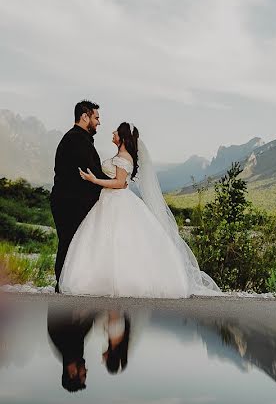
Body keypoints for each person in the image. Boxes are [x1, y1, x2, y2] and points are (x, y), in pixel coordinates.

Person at [57, 119, 221, 298]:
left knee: (118, 241)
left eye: (116, 132)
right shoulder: (121, 156)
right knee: (108, 240)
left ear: (122, 137)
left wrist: (94, 180)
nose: (113, 133)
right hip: (109, 200)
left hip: (116, 200)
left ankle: (118, 282)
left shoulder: (123, 158)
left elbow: (119, 183)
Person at [49, 100, 103, 292]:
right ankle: (63, 286)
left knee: (71, 243)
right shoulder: (76, 140)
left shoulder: (78, 138)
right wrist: (117, 183)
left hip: (69, 201)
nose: (99, 122)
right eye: (96, 117)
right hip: (70, 203)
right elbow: (93, 172)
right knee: (69, 243)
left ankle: (66, 286)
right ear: (84, 116)